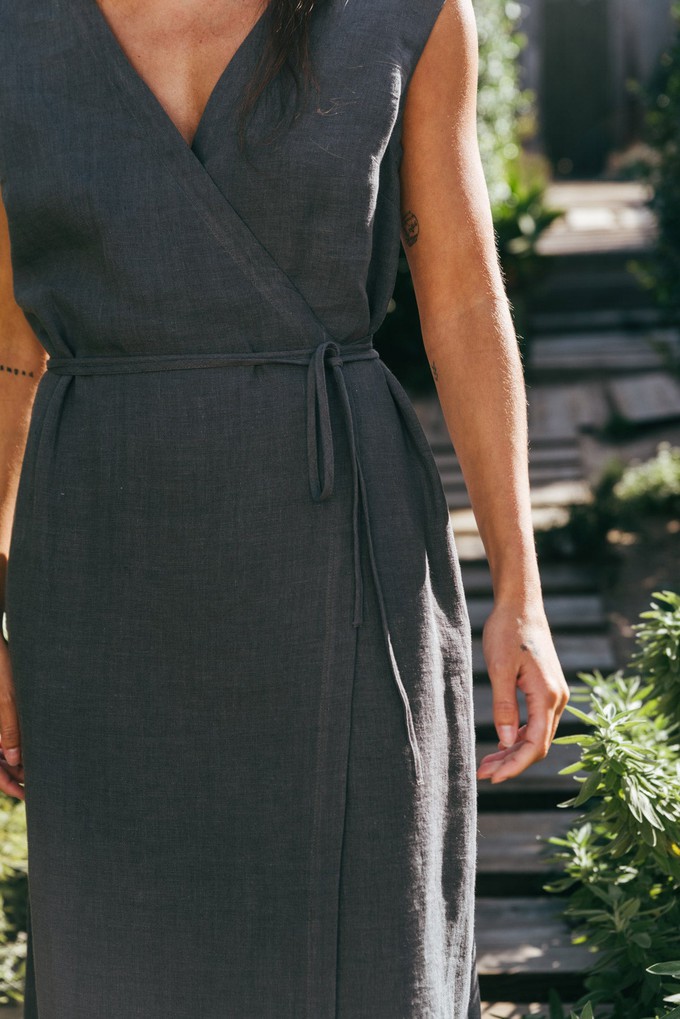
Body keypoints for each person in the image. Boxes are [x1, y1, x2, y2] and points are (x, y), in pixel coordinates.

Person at [0, 0, 570, 1014]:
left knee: (363, 943)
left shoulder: (408, 14)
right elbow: (7, 352)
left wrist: (516, 588)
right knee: (119, 959)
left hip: (339, 555)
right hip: (97, 570)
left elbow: (461, 297)